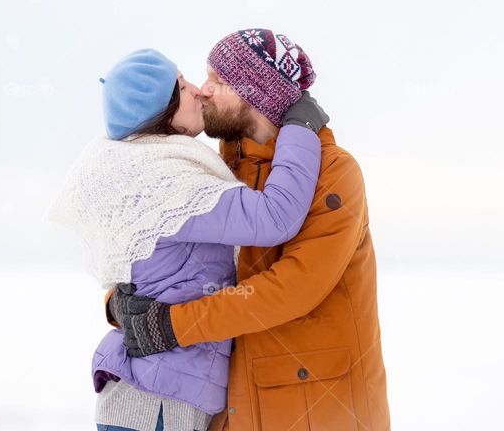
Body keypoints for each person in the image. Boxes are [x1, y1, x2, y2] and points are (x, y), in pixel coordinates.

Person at [107, 30, 391, 431]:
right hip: (238, 408)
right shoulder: (225, 166)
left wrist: (174, 326)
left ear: (256, 94)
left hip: (320, 411)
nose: (202, 92)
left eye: (216, 82)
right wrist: (120, 304)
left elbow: (292, 289)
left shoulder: (334, 173)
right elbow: (167, 252)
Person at [50, 47, 329, 431]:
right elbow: (275, 217)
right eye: (182, 86)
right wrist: (301, 128)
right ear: (161, 113)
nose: (198, 90)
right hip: (158, 405)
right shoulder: (171, 187)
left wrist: (115, 305)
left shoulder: (142, 167)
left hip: (150, 394)